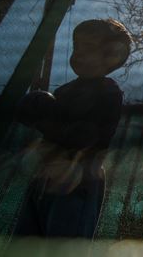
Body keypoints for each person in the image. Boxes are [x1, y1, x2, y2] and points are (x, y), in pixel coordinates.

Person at [14, 18, 132, 238]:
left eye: (88, 48)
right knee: (27, 236)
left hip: (80, 178)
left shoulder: (108, 92)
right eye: (76, 45)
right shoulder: (64, 91)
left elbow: (86, 136)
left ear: (111, 57)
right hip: (46, 174)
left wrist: (45, 120)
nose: (78, 52)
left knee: (64, 237)